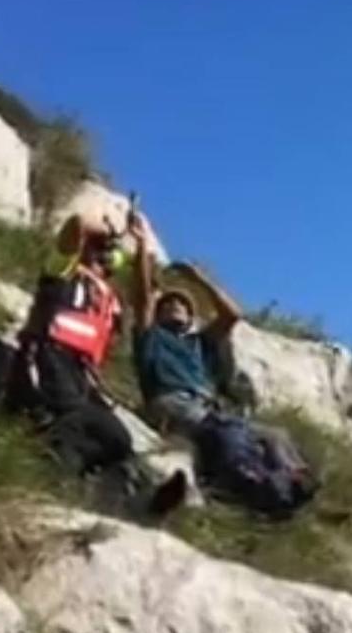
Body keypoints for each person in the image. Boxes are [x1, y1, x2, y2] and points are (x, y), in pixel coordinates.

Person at [129, 215, 315, 516]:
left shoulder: (199, 343)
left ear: (191, 318)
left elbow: (232, 315)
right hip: (171, 402)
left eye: (183, 305)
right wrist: (142, 245)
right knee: (228, 433)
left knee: (274, 435)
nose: (174, 305)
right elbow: (143, 296)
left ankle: (298, 485)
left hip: (206, 408)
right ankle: (256, 495)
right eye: (168, 304)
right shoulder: (151, 338)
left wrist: (199, 278)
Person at [7, 213, 186, 514]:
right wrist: (112, 230)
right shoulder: (63, 271)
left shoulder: (108, 297)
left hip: (80, 372)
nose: (102, 253)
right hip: (46, 357)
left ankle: (135, 505)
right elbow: (76, 224)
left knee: (118, 438)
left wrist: (142, 245)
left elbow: (144, 296)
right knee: (77, 420)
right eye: (97, 247)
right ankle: (51, 481)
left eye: (106, 250)